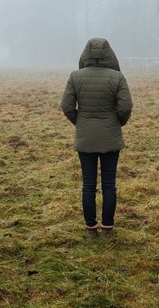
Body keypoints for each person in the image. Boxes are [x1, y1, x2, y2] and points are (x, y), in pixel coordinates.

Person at [61, 37, 133, 238]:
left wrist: (80, 122)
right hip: (110, 138)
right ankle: (107, 229)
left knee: (88, 186)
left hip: (86, 139)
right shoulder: (117, 77)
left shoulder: (75, 76)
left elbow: (66, 106)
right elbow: (126, 107)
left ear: (86, 54)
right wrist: (117, 123)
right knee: (109, 185)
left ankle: (91, 229)